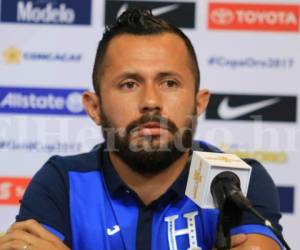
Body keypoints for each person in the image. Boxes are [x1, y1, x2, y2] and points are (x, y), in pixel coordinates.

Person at [0, 7, 283, 250]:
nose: (150, 102)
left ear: (199, 103)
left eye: (169, 83)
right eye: (129, 84)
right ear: (94, 107)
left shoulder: (235, 182)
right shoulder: (61, 183)